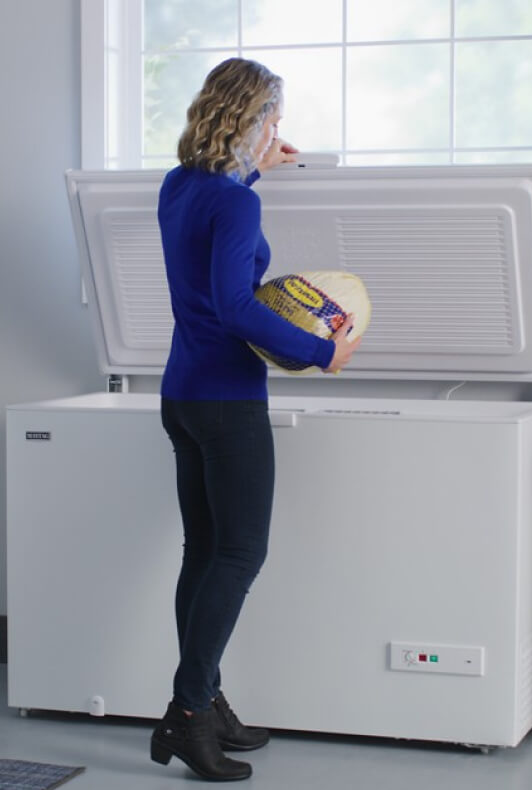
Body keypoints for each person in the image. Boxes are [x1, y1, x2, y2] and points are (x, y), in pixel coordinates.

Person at [149, 58, 362, 782]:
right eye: (274, 117)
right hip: (227, 400)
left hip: (180, 393)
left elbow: (213, 236)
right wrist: (320, 350)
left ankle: (206, 701)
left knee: (203, 551)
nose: (280, 130)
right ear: (251, 118)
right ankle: (186, 714)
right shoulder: (234, 204)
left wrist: (258, 168)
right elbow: (237, 305)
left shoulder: (181, 186)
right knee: (240, 554)